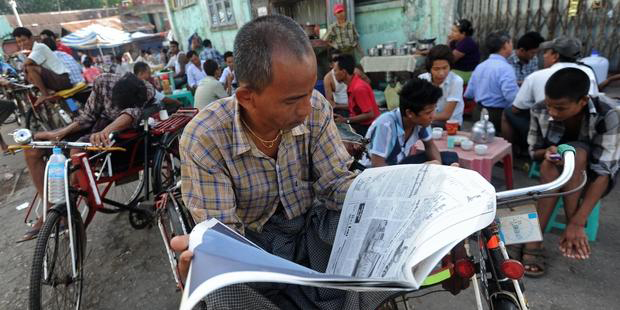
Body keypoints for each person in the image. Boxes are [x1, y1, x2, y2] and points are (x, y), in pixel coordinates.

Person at [173, 14, 391, 309]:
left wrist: (393, 201)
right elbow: (226, 237)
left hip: (309, 232)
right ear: (247, 97)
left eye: (309, 93)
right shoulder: (205, 138)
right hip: (251, 247)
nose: (306, 109)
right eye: (291, 101)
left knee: (370, 237)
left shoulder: (314, 107)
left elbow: (336, 184)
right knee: (219, 283)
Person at [18, 73, 157, 242]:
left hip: (119, 135)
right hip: (96, 127)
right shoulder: (103, 82)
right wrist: (61, 132)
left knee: (76, 153)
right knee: (32, 148)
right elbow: (87, 116)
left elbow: (130, 114)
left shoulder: (145, 89)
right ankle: (50, 207)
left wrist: (107, 131)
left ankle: (65, 206)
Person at [519, 68, 619, 276]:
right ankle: (536, 240)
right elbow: (533, 151)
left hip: (592, 177)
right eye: (549, 105)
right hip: (554, 170)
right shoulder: (539, 109)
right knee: (551, 163)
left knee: (577, 155)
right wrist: (546, 152)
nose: (553, 113)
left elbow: (605, 171)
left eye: (560, 108)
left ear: (583, 101)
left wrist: (577, 221)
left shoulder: (609, 113)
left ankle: (540, 237)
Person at [502, 36, 599, 151]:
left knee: (508, 112)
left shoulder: (536, 76)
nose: (543, 56)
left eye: (546, 53)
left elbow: (516, 109)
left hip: (549, 137)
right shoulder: (589, 73)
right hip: (582, 135)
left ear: (555, 56)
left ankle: (512, 152)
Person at [360, 78, 459, 168]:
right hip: (377, 172)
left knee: (450, 157)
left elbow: (430, 145)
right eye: (428, 112)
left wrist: (438, 168)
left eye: (434, 110)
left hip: (400, 164)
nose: (433, 116)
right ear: (410, 113)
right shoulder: (386, 125)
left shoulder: (421, 122)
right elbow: (377, 165)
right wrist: (416, 171)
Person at [464, 30, 519, 134]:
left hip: (478, 112)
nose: (512, 45)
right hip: (497, 116)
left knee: (481, 143)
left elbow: (469, 93)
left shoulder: (480, 66)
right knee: (497, 145)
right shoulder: (506, 68)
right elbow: (511, 97)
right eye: (511, 42)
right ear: (505, 45)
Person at [12, 27, 72, 106]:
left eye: (24, 40)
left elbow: (26, 64)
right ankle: (47, 91)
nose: (22, 44)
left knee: (30, 68)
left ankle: (45, 94)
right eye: (19, 42)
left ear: (31, 38)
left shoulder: (39, 47)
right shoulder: (33, 51)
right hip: (58, 79)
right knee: (29, 72)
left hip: (62, 80)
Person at [332, 54, 380, 136]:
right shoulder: (352, 84)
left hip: (368, 128)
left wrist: (345, 120)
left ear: (343, 72)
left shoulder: (358, 88)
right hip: (361, 125)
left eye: (335, 71)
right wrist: (337, 107)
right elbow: (355, 106)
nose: (334, 74)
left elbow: (370, 114)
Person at [418, 44, 464, 127]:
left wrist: (420, 117)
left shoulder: (456, 81)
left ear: (450, 65)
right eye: (436, 69)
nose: (441, 73)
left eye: (445, 68)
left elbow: (446, 115)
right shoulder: (422, 79)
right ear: (430, 68)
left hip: (450, 124)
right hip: (427, 121)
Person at [448, 19, 480, 83]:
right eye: (452, 30)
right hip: (456, 70)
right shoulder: (454, 41)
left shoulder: (467, 43)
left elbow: (450, 59)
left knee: (443, 75)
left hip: (467, 73)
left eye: (455, 31)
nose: (451, 33)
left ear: (463, 33)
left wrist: (448, 41)